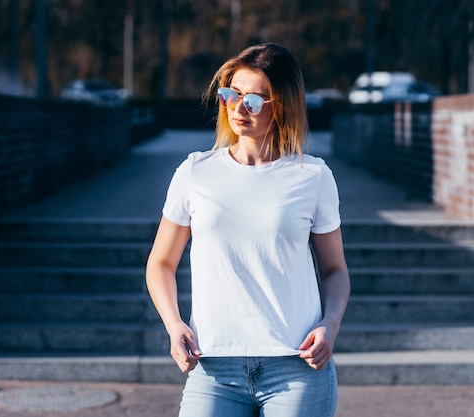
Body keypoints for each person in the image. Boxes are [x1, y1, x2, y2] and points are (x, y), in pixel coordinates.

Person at [146, 43, 350, 417]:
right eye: (232, 95)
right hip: (214, 370)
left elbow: (335, 270)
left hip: (297, 368)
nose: (239, 109)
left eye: (255, 100)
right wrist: (174, 324)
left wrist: (330, 324)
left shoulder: (313, 177)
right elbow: (160, 262)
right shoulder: (194, 173)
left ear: (283, 105)